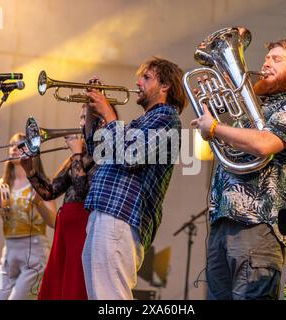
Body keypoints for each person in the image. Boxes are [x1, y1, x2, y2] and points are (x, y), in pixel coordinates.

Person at [191, 39, 286, 299]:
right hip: (223, 222)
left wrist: (215, 128)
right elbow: (231, 142)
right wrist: (213, 101)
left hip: (260, 225)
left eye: (276, 59)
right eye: (266, 57)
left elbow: (264, 144)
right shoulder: (255, 109)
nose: (266, 63)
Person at [82, 56, 187, 300]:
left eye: (146, 77)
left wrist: (109, 113)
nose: (138, 82)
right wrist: (90, 111)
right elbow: (95, 148)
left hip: (121, 217)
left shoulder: (166, 119)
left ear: (165, 86)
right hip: (105, 214)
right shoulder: (140, 122)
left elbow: (132, 156)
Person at [20, 106, 95, 300]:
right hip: (65, 232)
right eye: (79, 117)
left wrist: (76, 153)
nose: (79, 123)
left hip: (83, 230)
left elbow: (82, 190)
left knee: (74, 287)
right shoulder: (78, 156)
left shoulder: (102, 155)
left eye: (84, 118)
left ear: (99, 121)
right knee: (57, 289)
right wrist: (30, 170)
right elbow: (49, 191)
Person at [0, 132, 57, 300]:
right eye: (12, 145)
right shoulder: (3, 184)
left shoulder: (41, 182)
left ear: (31, 151)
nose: (14, 149)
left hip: (34, 252)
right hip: (9, 253)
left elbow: (54, 222)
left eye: (20, 145)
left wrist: (39, 202)